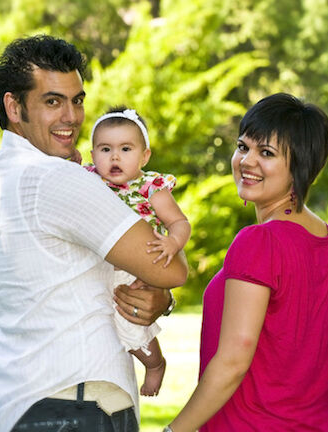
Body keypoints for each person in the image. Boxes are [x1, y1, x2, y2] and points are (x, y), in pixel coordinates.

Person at [0, 35, 187, 432]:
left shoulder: (8, 173)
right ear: (14, 107)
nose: (71, 116)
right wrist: (164, 286)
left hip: (24, 400)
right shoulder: (54, 178)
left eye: (77, 100)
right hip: (73, 404)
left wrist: (159, 299)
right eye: (52, 101)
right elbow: (171, 269)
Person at [164, 93, 328, 431]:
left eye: (266, 153)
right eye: (243, 147)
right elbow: (324, 366)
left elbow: (233, 361)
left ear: (300, 166)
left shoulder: (259, 242)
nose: (246, 161)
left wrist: (173, 431)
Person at [86, 106, 191, 397]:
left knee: (128, 323)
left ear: (144, 156)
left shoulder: (150, 187)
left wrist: (173, 242)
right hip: (99, 266)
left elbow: (179, 222)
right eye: (105, 149)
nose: (115, 157)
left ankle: (154, 363)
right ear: (92, 155)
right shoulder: (89, 180)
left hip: (135, 269)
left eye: (125, 149)